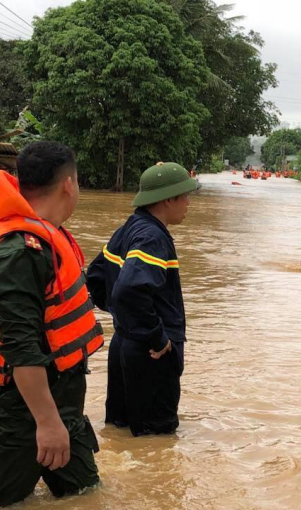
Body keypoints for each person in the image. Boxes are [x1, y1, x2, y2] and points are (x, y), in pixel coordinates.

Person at [0, 141, 103, 506]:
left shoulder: (46, 236)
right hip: (24, 414)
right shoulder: (24, 251)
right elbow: (20, 346)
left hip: (61, 407)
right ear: (69, 185)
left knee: (87, 496)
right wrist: (46, 423)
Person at [86, 162, 200, 437]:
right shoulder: (152, 237)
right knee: (157, 440)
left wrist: (124, 319)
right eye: (185, 196)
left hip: (124, 343)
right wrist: (156, 336)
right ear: (168, 199)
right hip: (151, 352)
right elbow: (129, 289)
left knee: (122, 431)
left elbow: (96, 277)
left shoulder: (129, 228)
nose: (188, 203)